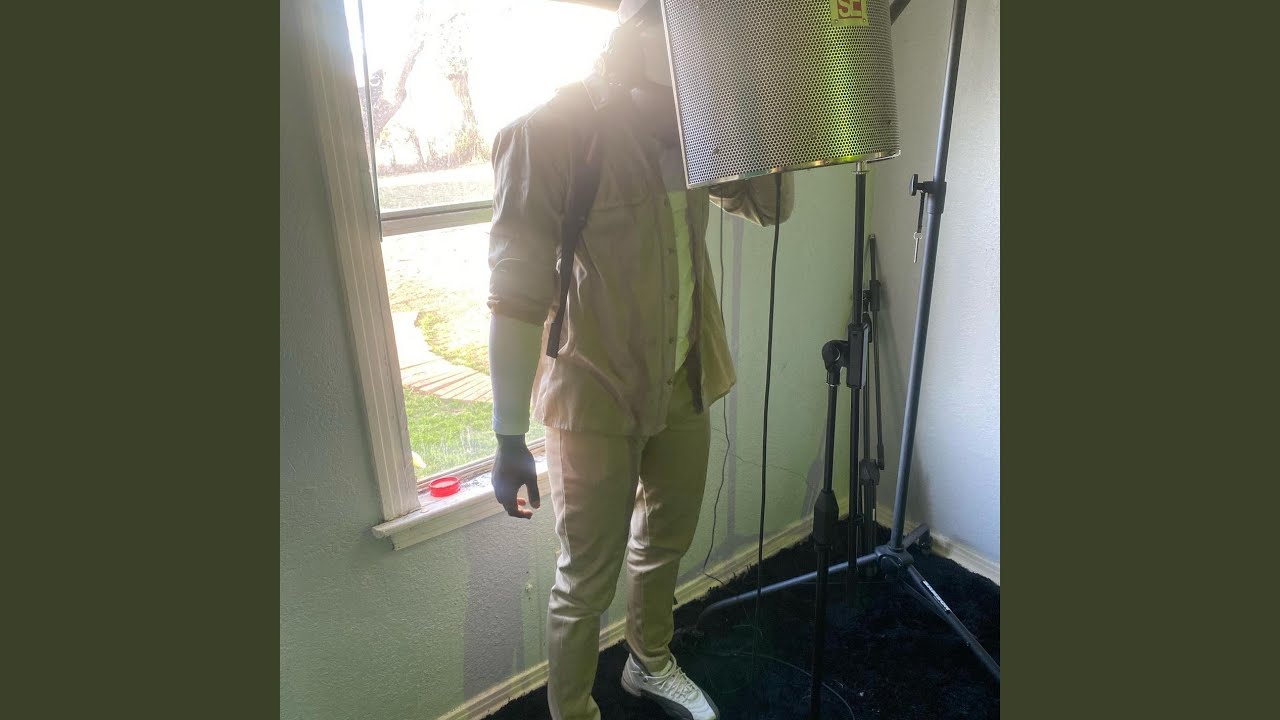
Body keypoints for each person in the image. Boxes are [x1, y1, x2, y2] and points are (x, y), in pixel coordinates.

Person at [486, 1, 793, 718]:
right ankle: (573, 709)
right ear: (633, 47)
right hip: (594, 392)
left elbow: (771, 205)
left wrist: (758, 106)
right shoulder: (548, 134)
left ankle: (648, 660)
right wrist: (507, 435)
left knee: (665, 543)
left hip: (686, 377)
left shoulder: (700, 125)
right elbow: (515, 296)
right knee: (584, 581)